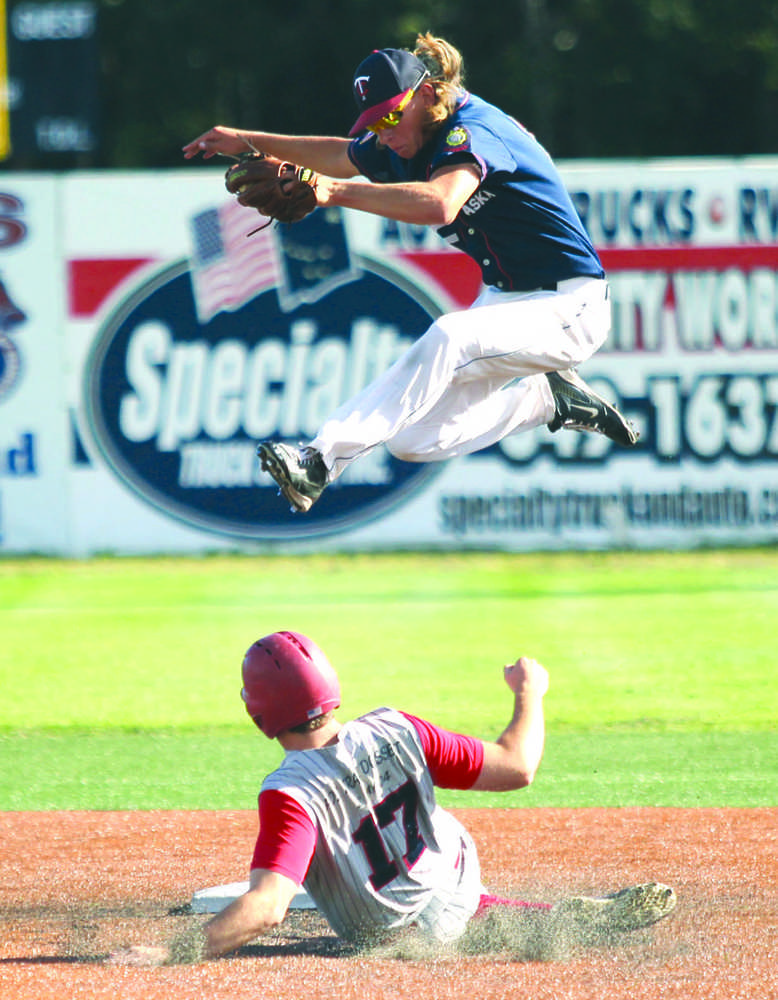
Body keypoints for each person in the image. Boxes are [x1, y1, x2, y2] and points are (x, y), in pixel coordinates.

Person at [182, 33, 638, 514]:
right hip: (507, 302)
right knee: (413, 440)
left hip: (570, 304)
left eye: (391, 116)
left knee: (450, 336)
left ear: (426, 93)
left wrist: (331, 192)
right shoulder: (402, 135)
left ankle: (317, 461)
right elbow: (339, 155)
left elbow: (442, 203)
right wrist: (247, 141)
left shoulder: (474, 128)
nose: (384, 133)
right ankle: (548, 399)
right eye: (374, 123)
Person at [110, 631, 675, 965]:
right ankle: (550, 920)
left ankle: (535, 919)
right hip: (454, 874)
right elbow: (518, 767)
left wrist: (174, 952)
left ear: (259, 711)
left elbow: (267, 907)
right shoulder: (396, 726)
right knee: (439, 846)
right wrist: (530, 692)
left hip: (394, 932)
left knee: (373, 893)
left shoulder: (289, 793)